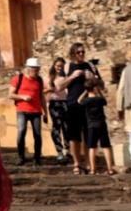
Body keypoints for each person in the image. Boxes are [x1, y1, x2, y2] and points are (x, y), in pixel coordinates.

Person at [56, 42, 98, 175]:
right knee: (74, 137)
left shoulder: (90, 66)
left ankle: (88, 163)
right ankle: (76, 163)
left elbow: (101, 85)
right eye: (78, 52)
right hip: (73, 104)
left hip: (89, 104)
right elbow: (60, 86)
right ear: (73, 53)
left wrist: (93, 78)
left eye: (83, 52)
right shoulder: (68, 67)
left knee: (88, 135)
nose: (81, 54)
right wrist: (72, 76)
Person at [8, 57, 47, 165]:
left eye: (38, 69)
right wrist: (22, 97)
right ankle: (21, 157)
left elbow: (42, 97)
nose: (37, 72)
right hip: (22, 111)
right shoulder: (18, 78)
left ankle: (37, 157)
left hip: (36, 111)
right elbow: (10, 95)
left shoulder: (39, 80)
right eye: (35, 69)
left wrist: (45, 113)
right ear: (29, 69)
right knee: (21, 132)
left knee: (38, 135)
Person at [79, 78, 116, 175]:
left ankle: (93, 169)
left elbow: (79, 101)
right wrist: (99, 92)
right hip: (102, 125)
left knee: (92, 147)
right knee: (106, 146)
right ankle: (110, 168)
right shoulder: (99, 99)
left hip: (91, 126)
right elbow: (105, 101)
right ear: (95, 88)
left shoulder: (86, 101)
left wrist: (85, 92)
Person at [45, 57, 71, 164]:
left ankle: (68, 150)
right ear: (54, 66)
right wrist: (49, 90)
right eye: (57, 66)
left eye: (61, 66)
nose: (59, 68)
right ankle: (59, 151)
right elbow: (42, 91)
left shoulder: (67, 77)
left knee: (67, 127)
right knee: (57, 126)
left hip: (65, 102)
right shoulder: (48, 78)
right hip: (54, 103)